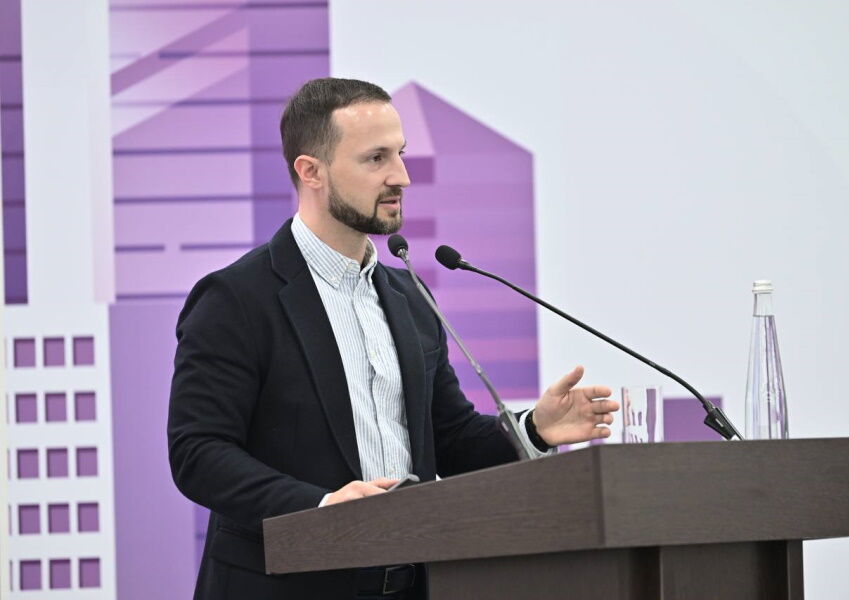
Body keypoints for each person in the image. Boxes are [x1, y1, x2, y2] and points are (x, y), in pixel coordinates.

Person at [167, 77, 620, 600]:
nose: (401, 176)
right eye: (376, 158)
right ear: (311, 171)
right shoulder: (237, 298)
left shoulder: (408, 295)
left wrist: (533, 429)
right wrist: (320, 508)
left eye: (400, 154)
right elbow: (199, 451)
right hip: (285, 587)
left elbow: (449, 440)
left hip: (410, 585)